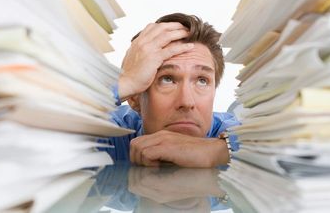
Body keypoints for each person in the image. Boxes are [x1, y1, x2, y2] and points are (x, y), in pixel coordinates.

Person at [101, 13, 240, 167]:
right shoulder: (113, 132)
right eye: (167, 79)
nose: (187, 102)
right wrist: (126, 82)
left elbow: (268, 142)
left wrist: (217, 152)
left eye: (202, 80)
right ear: (134, 98)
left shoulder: (229, 129)